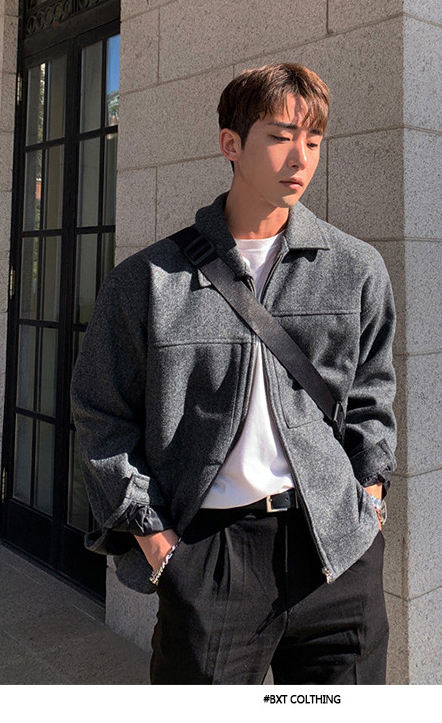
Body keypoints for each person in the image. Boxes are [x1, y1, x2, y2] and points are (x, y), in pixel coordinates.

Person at [70, 63, 397, 685]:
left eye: (313, 140)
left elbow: (371, 397)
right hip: (210, 557)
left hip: (335, 548)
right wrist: (157, 541)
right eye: (280, 137)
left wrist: (370, 502)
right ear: (231, 144)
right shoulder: (149, 280)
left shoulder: (356, 269)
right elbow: (101, 414)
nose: (300, 158)